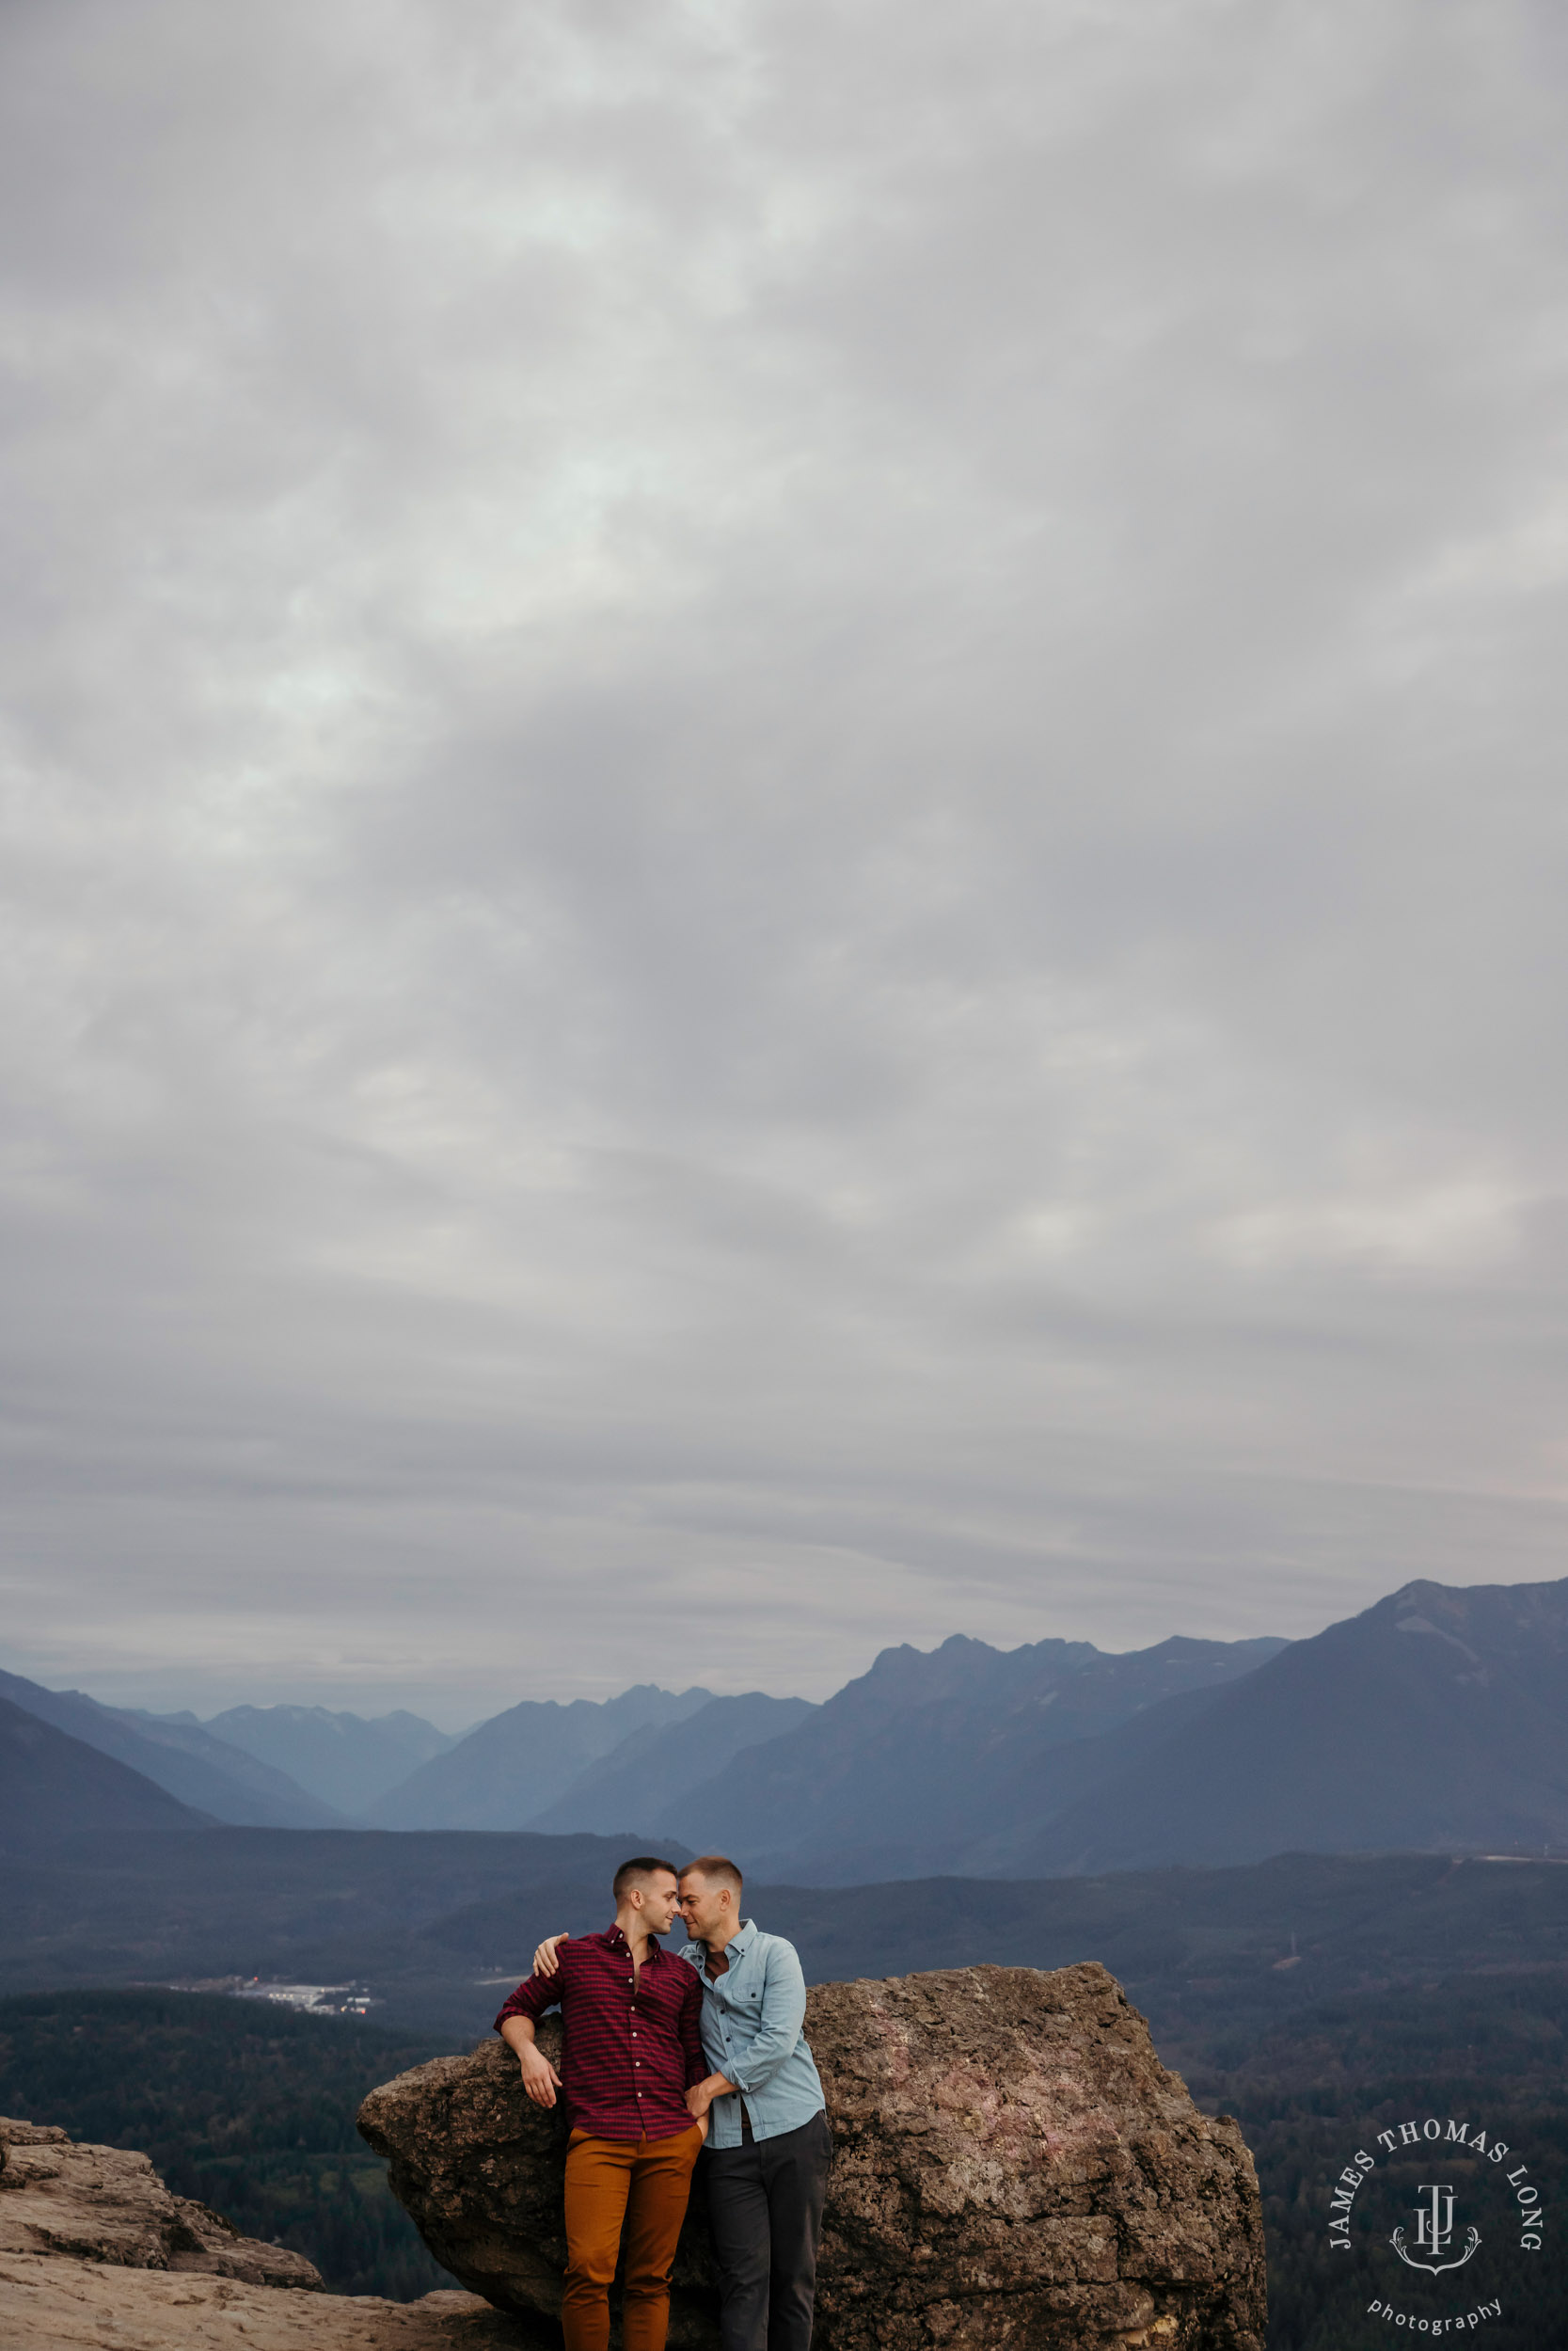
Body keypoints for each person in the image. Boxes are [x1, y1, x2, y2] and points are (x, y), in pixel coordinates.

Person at [531, 1853, 831, 2351]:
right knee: (741, 2281)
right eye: (675, 1899)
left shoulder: (776, 1954)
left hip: (792, 2130)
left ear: (724, 1899)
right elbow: (617, 1962)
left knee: (794, 2279)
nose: (681, 1911)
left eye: (688, 1901)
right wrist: (551, 1950)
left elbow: (777, 2042)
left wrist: (707, 2092)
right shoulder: (681, 1965)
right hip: (727, 2145)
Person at [496, 1855, 707, 2351]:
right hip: (598, 2138)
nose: (678, 1908)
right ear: (637, 1898)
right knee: (589, 2273)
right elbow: (515, 2009)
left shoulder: (681, 1974)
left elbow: (694, 2057)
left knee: (651, 2280)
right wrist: (528, 2054)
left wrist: (695, 2131)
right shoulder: (572, 1958)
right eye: (670, 1897)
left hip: (671, 2139)